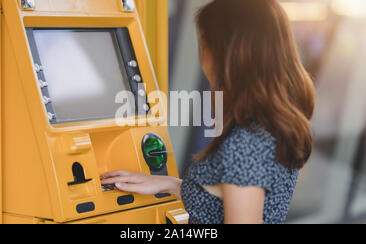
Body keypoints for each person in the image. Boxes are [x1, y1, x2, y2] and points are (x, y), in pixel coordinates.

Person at [101, 0, 316, 224]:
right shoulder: (271, 125)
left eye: (204, 43)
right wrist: (170, 184)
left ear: (224, 53)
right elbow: (227, 200)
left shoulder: (245, 144)